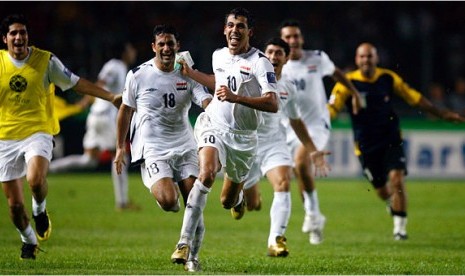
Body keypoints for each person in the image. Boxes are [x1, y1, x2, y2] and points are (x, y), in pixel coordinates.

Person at [0, 14, 121, 260]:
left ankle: (40, 210)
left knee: (34, 179)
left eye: (22, 32)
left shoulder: (45, 60)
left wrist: (111, 97)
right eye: (13, 33)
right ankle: (28, 240)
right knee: (13, 206)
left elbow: (76, 83)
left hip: (39, 131)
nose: (19, 37)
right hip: (5, 138)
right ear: (5, 39)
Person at [170, 7, 278, 269]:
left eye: (240, 26)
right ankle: (184, 245)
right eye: (231, 25)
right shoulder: (218, 54)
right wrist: (191, 74)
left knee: (226, 200)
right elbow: (216, 79)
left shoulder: (260, 62)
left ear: (249, 32)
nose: (234, 30)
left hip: (243, 138)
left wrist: (237, 98)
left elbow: (272, 103)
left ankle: (238, 200)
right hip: (214, 124)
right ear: (224, 30)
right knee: (206, 174)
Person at [328, 42, 465, 240]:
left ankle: (400, 229)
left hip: (391, 139)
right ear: (357, 60)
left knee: (397, 179)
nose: (366, 60)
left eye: (370, 56)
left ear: (376, 58)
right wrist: (320, 126)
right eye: (362, 57)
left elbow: (414, 98)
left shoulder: (388, 78)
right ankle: (391, 204)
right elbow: (332, 108)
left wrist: (442, 113)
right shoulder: (346, 82)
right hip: (365, 146)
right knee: (383, 191)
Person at [113, 24, 212, 272]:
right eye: (162, 44)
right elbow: (126, 110)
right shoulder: (138, 75)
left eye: (171, 44)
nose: (166, 48)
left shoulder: (187, 72)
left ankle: (191, 255)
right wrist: (119, 148)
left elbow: (205, 100)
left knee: (195, 199)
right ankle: (167, 195)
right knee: (170, 202)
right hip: (153, 147)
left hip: (184, 144)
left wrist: (219, 111)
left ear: (177, 46)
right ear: (154, 47)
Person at [242, 37, 331, 257]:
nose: (273, 57)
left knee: (283, 182)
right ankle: (242, 199)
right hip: (246, 145)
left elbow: (295, 120)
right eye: (270, 52)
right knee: (248, 204)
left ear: (286, 57)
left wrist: (313, 150)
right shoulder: (250, 78)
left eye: (279, 53)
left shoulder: (288, 87)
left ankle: (276, 240)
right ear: (263, 55)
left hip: (273, 143)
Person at [279, 19, 362, 245]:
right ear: (282, 40)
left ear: (302, 38)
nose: (292, 40)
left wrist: (354, 93)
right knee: (298, 173)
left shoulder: (317, 58)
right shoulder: (277, 64)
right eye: (287, 37)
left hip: (316, 124)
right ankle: (314, 215)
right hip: (289, 126)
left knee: (300, 163)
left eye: (296, 36)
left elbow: (337, 74)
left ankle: (313, 214)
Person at [49, 42, 139, 211]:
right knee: (120, 156)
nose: (133, 52)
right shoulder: (116, 65)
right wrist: (86, 100)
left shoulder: (118, 67)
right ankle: (122, 202)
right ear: (124, 52)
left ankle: (48, 168)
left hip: (95, 116)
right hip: (105, 117)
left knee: (89, 160)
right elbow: (102, 81)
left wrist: (87, 101)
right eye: (131, 49)